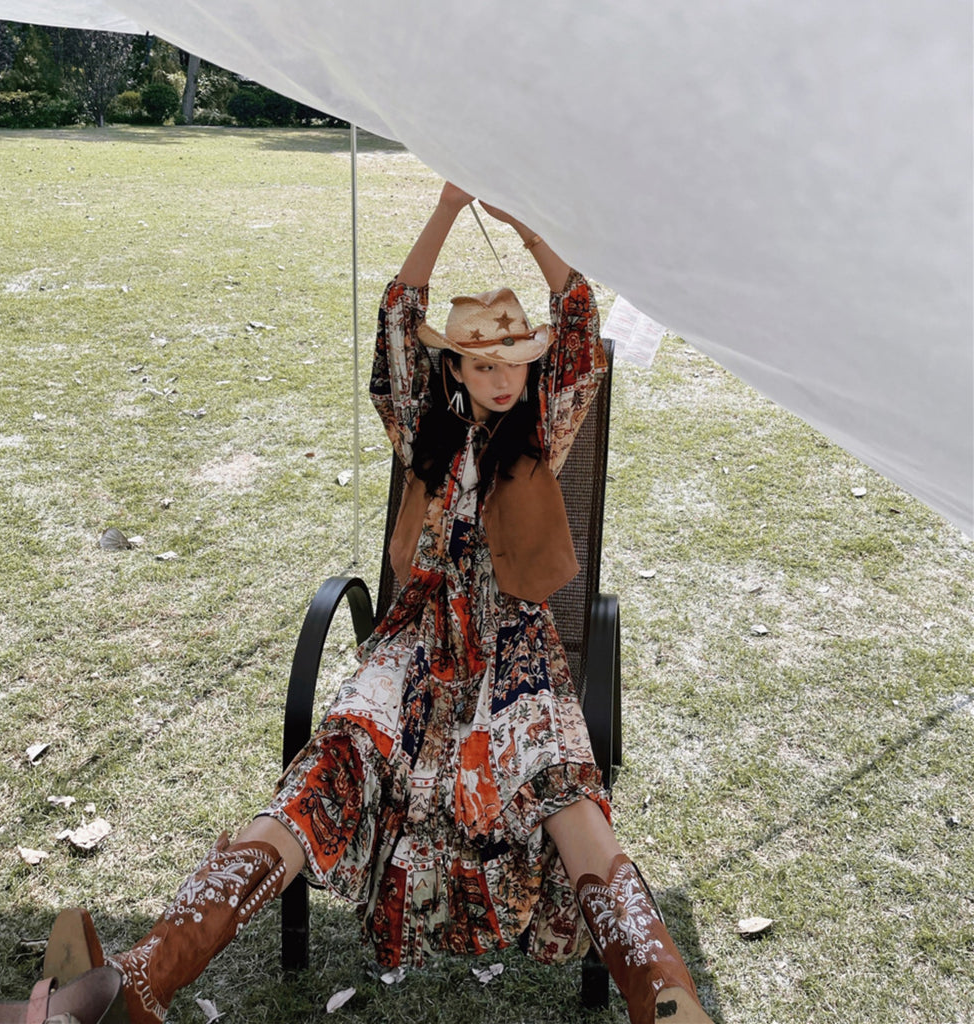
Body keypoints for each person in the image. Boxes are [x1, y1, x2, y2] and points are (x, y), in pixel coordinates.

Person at [37, 183, 714, 1024]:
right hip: (417, 633)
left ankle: (664, 997)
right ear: (455, 368)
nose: (505, 378)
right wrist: (446, 206)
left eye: (516, 363)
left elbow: (577, 320)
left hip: (514, 641)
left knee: (559, 781)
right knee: (335, 762)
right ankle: (145, 977)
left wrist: (529, 230)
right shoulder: (422, 426)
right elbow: (399, 314)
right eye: (484, 364)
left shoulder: (544, 427)